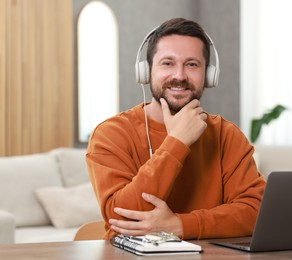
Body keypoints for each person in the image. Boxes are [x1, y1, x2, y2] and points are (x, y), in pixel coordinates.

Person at [86, 17, 266, 240]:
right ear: (146, 71)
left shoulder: (226, 135)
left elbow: (257, 212)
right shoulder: (112, 134)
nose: (179, 76)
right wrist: (177, 141)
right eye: (168, 63)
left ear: (209, 75)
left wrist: (181, 225)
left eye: (191, 64)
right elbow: (123, 218)